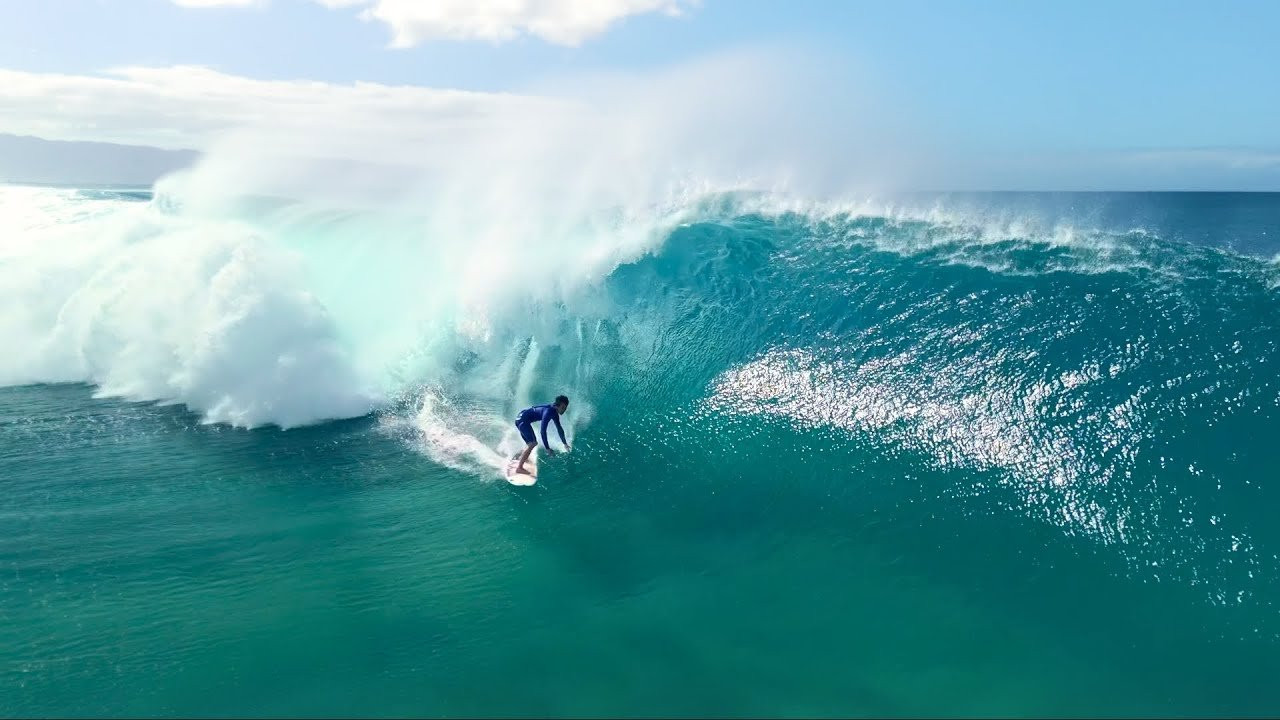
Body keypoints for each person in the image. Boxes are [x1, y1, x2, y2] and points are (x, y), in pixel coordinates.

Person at [514, 395, 570, 476]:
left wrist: (565, 443)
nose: (564, 410)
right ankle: (519, 468)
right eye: (563, 407)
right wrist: (547, 448)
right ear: (557, 405)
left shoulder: (554, 412)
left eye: (565, 408)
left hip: (521, 418)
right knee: (533, 443)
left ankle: (520, 457)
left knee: (530, 443)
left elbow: (559, 428)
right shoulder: (548, 412)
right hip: (522, 421)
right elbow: (543, 431)